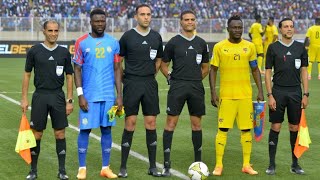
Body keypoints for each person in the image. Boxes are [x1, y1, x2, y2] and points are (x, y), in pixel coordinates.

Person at [209, 15, 264, 176]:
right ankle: (219, 165)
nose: (238, 30)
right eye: (234, 27)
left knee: (247, 130)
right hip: (226, 96)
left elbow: (255, 69)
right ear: (228, 29)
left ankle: (246, 164)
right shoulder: (219, 47)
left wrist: (260, 91)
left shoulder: (250, 46)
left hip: (245, 96)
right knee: (223, 129)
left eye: (240, 27)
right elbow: (213, 69)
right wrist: (213, 92)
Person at [73, 8, 122, 179]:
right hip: (89, 96)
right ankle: (82, 168)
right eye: (97, 21)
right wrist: (80, 95)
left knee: (107, 130)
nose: (100, 24)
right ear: (91, 22)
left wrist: (119, 95)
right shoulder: (81, 42)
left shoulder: (114, 43)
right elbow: (77, 69)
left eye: (102, 21)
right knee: (85, 130)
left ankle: (105, 168)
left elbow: (117, 69)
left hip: (108, 96)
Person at [21, 20, 73, 180]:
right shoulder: (34, 51)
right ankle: (33, 171)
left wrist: (69, 100)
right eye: (50, 30)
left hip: (58, 96)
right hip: (40, 96)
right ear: (44, 31)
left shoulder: (64, 52)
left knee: (60, 133)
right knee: (37, 134)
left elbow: (69, 76)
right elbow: (27, 74)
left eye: (56, 31)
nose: (53, 34)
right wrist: (24, 98)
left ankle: (62, 171)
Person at [161, 10, 209, 177]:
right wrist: (170, 77)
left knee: (196, 125)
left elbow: (206, 67)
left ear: (195, 22)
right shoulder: (173, 42)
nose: (190, 22)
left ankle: (198, 164)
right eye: (186, 20)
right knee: (170, 123)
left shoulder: (202, 43)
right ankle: (166, 165)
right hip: (177, 87)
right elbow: (164, 64)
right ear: (181, 22)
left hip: (196, 88)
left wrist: (195, 79)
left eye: (192, 19)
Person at [118, 4, 163, 178]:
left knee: (151, 123)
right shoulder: (127, 37)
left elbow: (159, 59)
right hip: (132, 84)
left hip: (150, 84)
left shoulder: (156, 37)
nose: (146, 17)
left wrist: (152, 73)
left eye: (148, 14)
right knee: (130, 123)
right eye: (142, 14)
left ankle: (152, 166)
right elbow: (118, 61)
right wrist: (125, 78)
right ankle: (123, 167)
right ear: (136, 17)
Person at [265, 17, 309, 175]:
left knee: (294, 127)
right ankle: (271, 164)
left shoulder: (300, 48)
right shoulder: (273, 48)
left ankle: (295, 164)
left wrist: (305, 94)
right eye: (286, 26)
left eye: (291, 26)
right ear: (280, 29)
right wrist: (270, 95)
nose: (289, 29)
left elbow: (304, 71)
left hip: (296, 92)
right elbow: (268, 72)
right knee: (275, 126)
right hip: (278, 92)